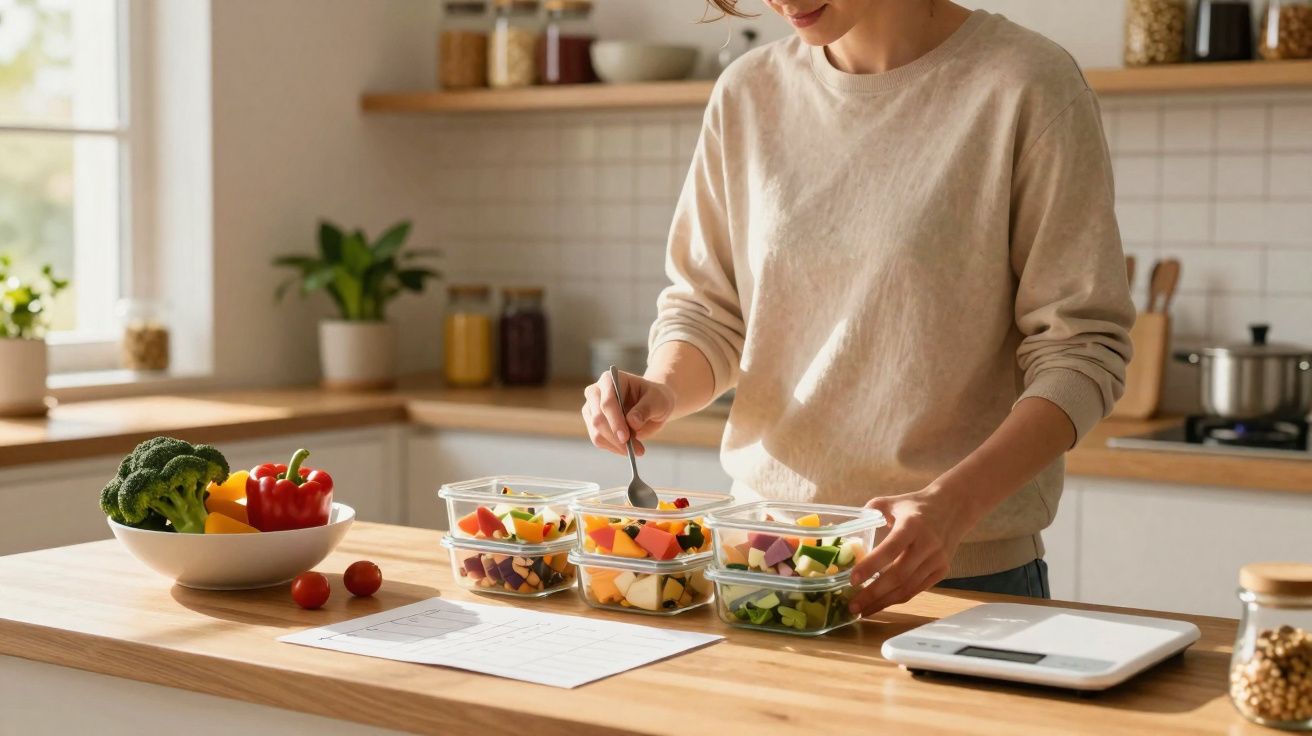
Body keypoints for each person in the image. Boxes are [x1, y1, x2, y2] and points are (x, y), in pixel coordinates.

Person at [580, 0, 1133, 617]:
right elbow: (711, 311)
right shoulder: (748, 93)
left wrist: (952, 505)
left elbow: (1082, 352)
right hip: (761, 564)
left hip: (961, 580)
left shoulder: (1025, 83)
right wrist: (662, 387)